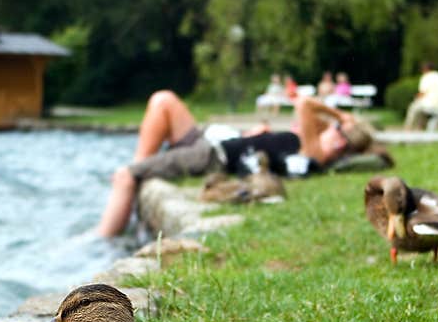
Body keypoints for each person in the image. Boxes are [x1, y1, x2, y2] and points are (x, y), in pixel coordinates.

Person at [95, 89, 379, 237]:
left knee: (125, 177)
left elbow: (304, 103)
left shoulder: (314, 151)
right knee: (163, 100)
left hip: (212, 156)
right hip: (212, 143)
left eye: (338, 132)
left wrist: (341, 116)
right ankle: (145, 168)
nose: (331, 131)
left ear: (341, 144)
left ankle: (102, 239)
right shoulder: (312, 142)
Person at [404, 61, 438, 131]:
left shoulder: (426, 77)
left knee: (413, 107)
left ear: (425, 69)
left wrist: (415, 98)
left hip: (431, 104)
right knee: (420, 108)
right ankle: (420, 127)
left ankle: (408, 128)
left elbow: (422, 93)